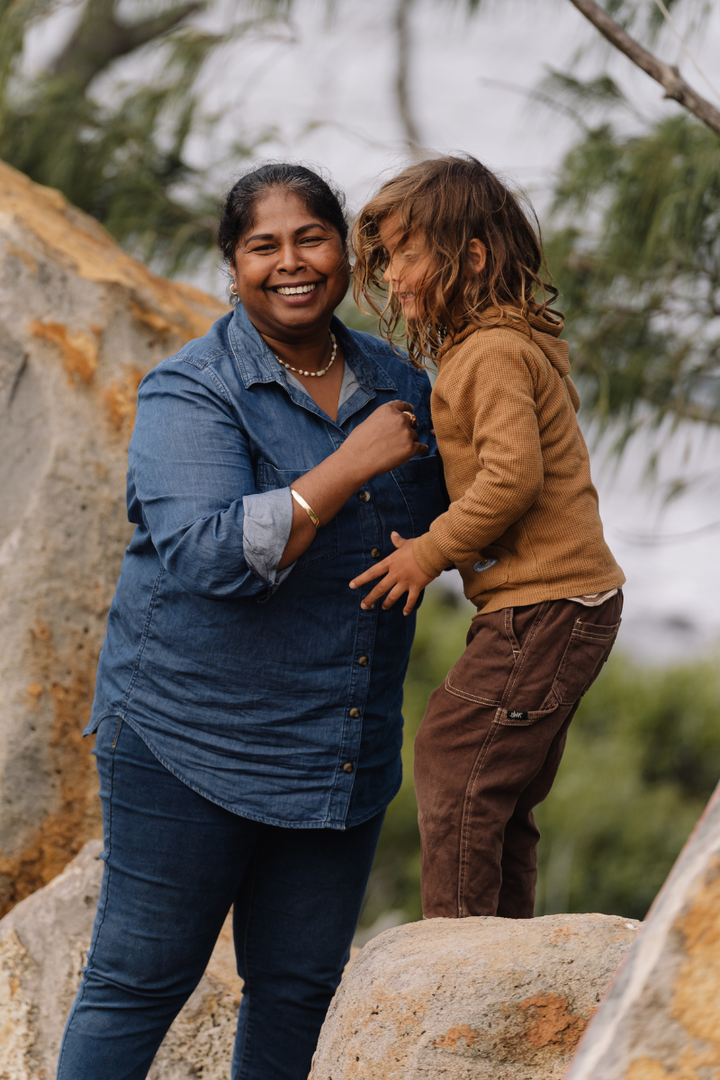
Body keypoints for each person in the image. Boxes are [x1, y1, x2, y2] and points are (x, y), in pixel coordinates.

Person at [56, 163, 447, 1080]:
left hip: (337, 746)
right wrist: (350, 464)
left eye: (310, 238)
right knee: (140, 980)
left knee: (301, 987)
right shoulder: (189, 391)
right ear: (232, 267)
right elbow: (205, 555)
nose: (291, 263)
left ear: (344, 252)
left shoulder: (400, 383)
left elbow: (462, 518)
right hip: (186, 737)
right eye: (262, 246)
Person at [350, 154, 625, 921]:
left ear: (470, 257)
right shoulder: (501, 343)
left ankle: (459, 954)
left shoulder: (491, 353)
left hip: (545, 605)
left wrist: (426, 553)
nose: (395, 276)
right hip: (562, 602)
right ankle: (503, 953)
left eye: (408, 252)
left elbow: (512, 481)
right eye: (388, 257)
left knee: (453, 763)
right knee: (499, 793)